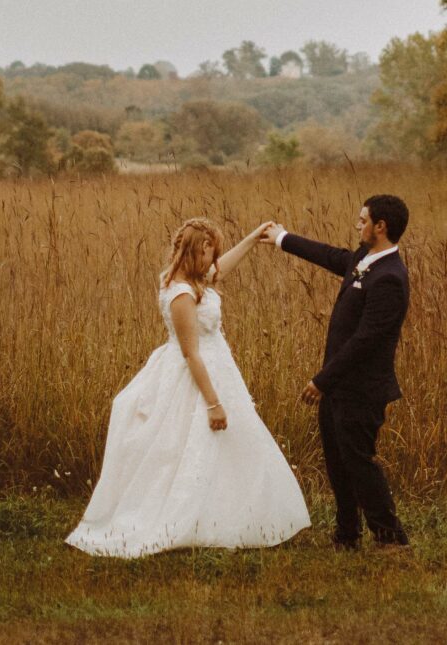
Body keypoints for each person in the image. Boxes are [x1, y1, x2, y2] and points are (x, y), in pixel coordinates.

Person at [65, 217, 310, 557]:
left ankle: (231, 516)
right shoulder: (181, 293)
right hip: (197, 376)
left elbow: (222, 269)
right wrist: (213, 403)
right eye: (210, 253)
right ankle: (186, 519)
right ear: (196, 252)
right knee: (190, 445)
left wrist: (254, 238)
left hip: (218, 368)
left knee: (228, 447)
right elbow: (191, 353)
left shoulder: (194, 279)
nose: (214, 261)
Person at [264, 195, 412, 551]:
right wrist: (283, 238)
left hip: (361, 388)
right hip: (338, 386)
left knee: (358, 462)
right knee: (337, 462)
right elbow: (331, 256)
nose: (358, 225)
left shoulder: (390, 278)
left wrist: (322, 380)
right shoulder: (364, 259)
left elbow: (366, 341)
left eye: (363, 220)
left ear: (381, 226)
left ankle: (390, 537)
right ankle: (347, 535)